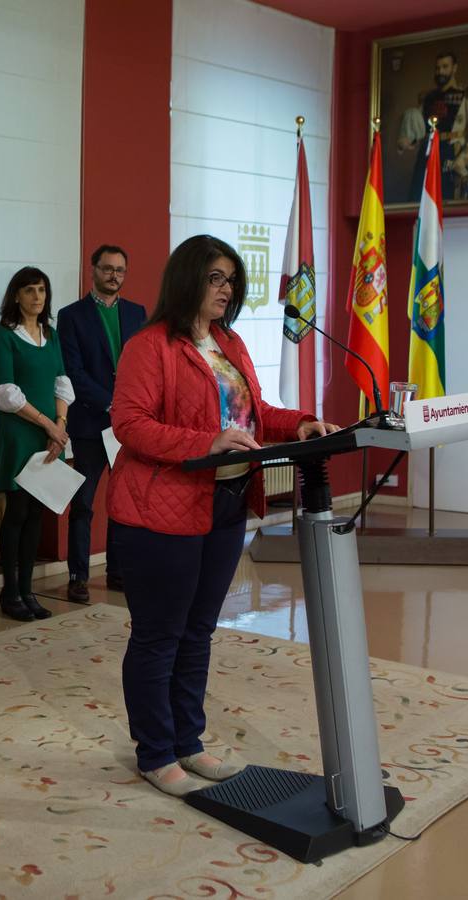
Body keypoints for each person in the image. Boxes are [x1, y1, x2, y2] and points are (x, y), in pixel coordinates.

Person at [107, 234, 338, 797]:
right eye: (215, 278)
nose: (226, 288)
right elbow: (129, 424)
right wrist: (205, 442)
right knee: (160, 636)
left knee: (198, 633)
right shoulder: (150, 345)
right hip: (160, 512)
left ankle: (189, 742)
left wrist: (302, 422)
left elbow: (255, 415)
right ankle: (156, 754)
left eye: (231, 280)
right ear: (188, 279)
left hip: (226, 505)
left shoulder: (229, 343)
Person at [57, 244, 146, 603]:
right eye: (107, 269)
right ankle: (78, 574)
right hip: (91, 423)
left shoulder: (138, 313)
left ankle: (118, 570)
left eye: (120, 270)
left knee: (123, 500)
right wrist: (112, 402)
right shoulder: (71, 315)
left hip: (128, 426)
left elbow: (145, 366)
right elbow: (73, 371)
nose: (114, 276)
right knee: (84, 502)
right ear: (93, 270)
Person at [0, 266, 75, 622]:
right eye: (29, 290)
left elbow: (61, 383)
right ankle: (9, 592)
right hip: (21, 432)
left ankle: (27, 590)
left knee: (37, 514)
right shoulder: (3, 336)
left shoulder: (50, 335)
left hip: (50, 431)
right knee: (18, 512)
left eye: (41, 290)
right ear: (16, 295)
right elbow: (6, 393)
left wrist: (60, 424)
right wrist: (46, 426)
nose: (36, 297)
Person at [397, 50, 468, 201]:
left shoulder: (466, 95)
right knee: (418, 202)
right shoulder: (428, 98)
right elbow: (418, 128)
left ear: (454, 68)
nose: (440, 71)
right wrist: (408, 139)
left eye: (445, 67)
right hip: (426, 155)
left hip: (450, 155)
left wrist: (464, 159)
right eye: (438, 68)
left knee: (446, 203)